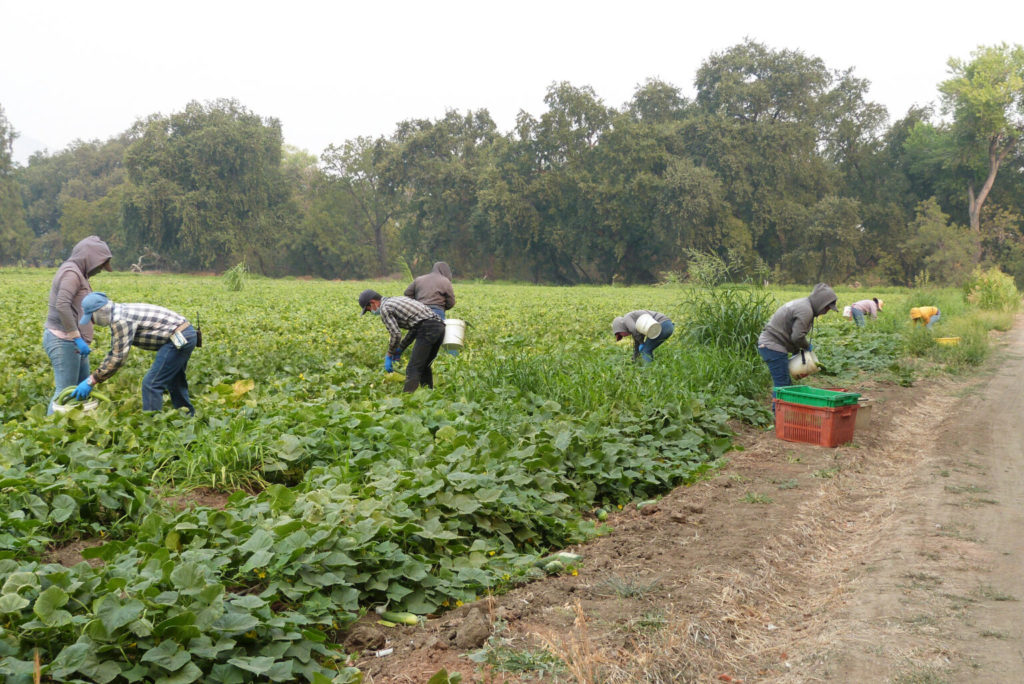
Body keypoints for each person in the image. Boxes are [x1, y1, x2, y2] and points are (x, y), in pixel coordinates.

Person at [72, 293, 198, 416]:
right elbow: (116, 350)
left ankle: (152, 426)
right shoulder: (120, 311)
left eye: (92, 318)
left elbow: (118, 357)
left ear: (100, 312)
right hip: (186, 333)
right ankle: (187, 415)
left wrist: (92, 380)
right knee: (174, 377)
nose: (92, 322)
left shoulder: (121, 320)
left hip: (179, 337)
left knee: (151, 383)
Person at [42, 235, 112, 414]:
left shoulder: (80, 273)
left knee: (81, 391)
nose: (100, 270)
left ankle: (74, 432)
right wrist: (76, 337)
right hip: (64, 340)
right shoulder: (71, 273)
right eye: (99, 265)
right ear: (89, 258)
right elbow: (62, 305)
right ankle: (49, 432)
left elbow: (78, 307)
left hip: (74, 344)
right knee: (64, 393)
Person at [359, 289, 445, 393]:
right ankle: (429, 396)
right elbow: (416, 327)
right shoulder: (395, 300)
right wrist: (400, 348)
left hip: (427, 329)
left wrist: (389, 354)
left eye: (368, 309)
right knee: (424, 366)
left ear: (372, 302)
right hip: (439, 327)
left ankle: (408, 400)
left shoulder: (385, 308)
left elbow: (395, 334)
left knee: (413, 368)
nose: (370, 311)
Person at [757, 283, 838, 389]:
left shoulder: (804, 304)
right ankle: (777, 406)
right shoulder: (806, 311)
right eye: (827, 308)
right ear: (821, 303)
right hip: (772, 346)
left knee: (785, 384)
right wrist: (806, 347)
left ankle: (781, 405)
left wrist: (797, 350)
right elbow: (797, 337)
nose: (826, 312)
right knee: (782, 386)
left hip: (771, 344)